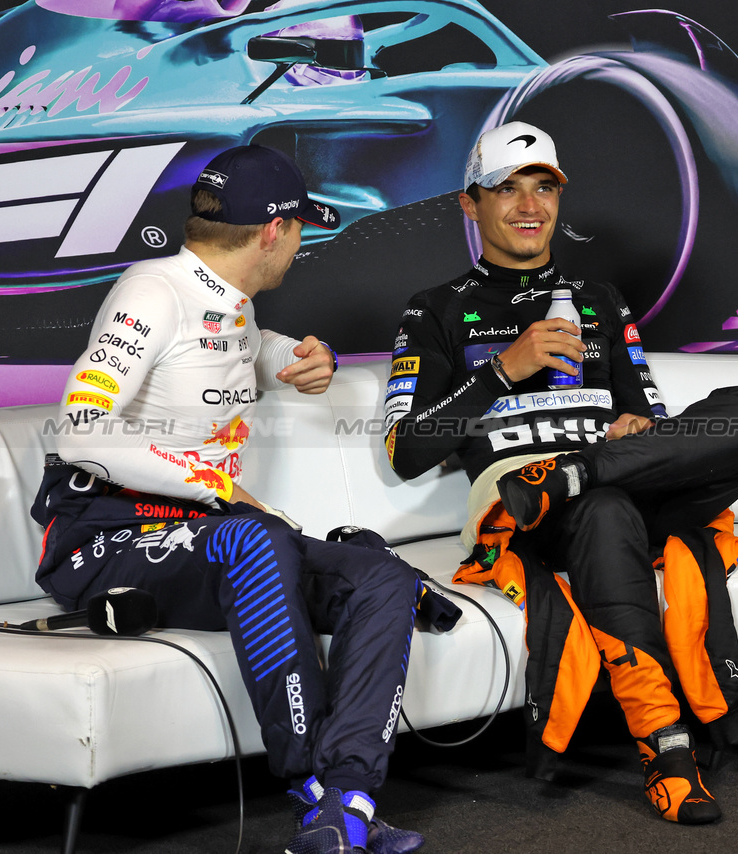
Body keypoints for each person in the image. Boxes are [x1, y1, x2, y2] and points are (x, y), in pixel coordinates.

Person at [31, 144, 441, 854]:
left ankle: (347, 798)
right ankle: (311, 789)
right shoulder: (151, 292)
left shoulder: (231, 300)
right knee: (259, 539)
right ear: (274, 231)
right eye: (303, 227)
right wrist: (219, 486)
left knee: (383, 576)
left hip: (207, 536)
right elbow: (77, 432)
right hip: (102, 537)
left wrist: (293, 359)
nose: (302, 241)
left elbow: (234, 339)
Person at [383, 121, 738, 824]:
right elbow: (409, 447)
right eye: (506, 188)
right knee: (605, 511)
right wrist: (505, 369)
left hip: (619, 478)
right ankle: (666, 748)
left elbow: (649, 416)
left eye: (542, 186)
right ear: (469, 204)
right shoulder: (435, 308)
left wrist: (641, 434)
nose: (528, 204)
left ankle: (576, 472)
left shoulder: (600, 299)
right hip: (526, 509)